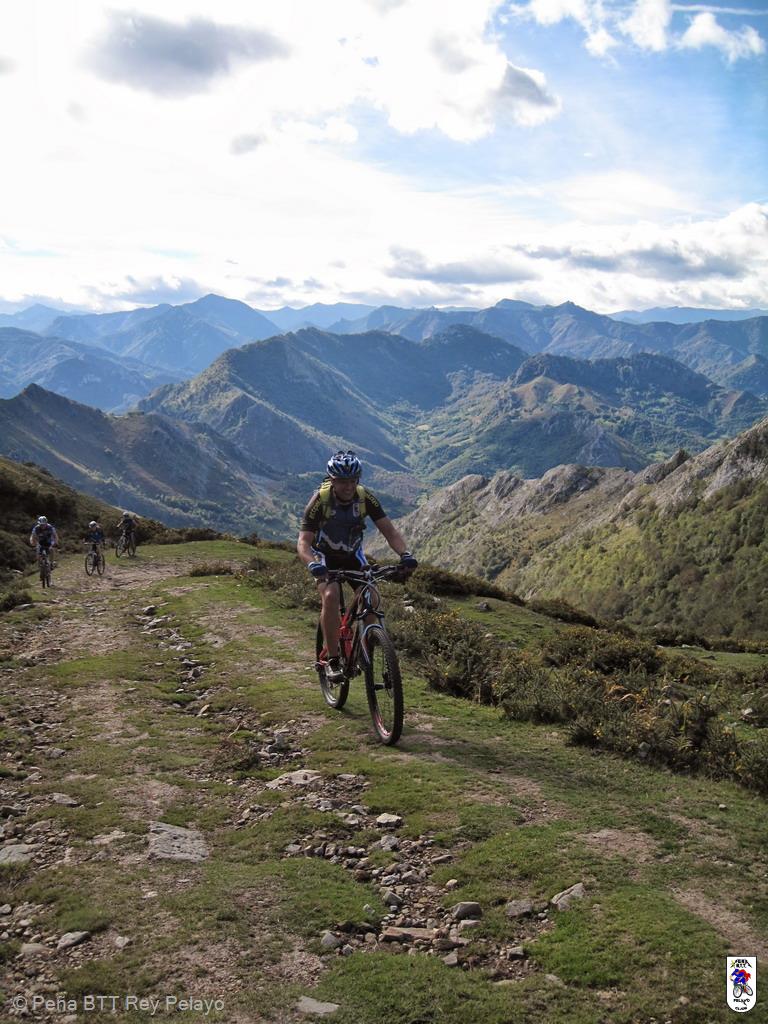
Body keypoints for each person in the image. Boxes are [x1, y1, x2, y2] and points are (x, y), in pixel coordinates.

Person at [297, 450, 417, 683]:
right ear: (332, 480)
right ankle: (333, 660)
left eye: (353, 480)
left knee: (371, 597)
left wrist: (405, 555)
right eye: (343, 481)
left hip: (353, 556)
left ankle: (368, 647)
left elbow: (390, 531)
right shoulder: (319, 501)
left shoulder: (364, 498)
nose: (349, 486)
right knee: (331, 596)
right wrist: (312, 564)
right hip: (324, 559)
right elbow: (303, 542)